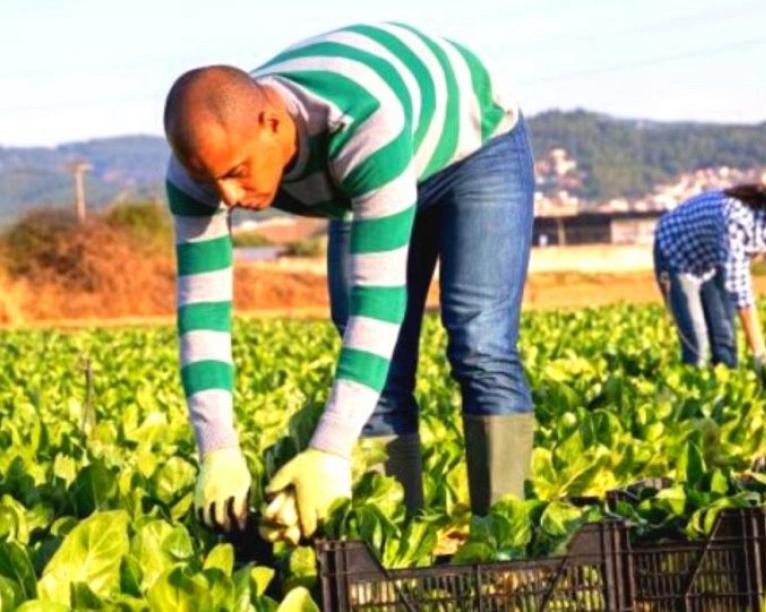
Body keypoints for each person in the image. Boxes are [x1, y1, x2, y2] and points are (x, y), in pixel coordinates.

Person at [163, 22, 536, 541]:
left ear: (272, 123)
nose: (226, 194)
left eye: (238, 171)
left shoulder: (360, 122)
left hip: (474, 153)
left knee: (480, 342)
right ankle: (396, 547)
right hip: (365, 173)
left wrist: (330, 449)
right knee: (381, 373)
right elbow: (201, 309)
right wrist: (217, 448)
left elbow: (378, 304)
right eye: (211, 180)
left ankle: (507, 543)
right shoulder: (199, 169)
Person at [652, 169, 766, 368]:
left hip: (713, 260)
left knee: (724, 339)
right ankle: (692, 390)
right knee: (698, 343)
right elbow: (740, 288)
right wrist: (759, 351)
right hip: (676, 256)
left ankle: (723, 394)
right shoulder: (736, 217)